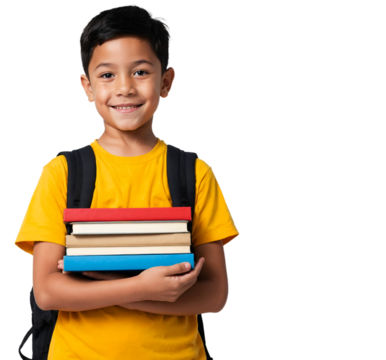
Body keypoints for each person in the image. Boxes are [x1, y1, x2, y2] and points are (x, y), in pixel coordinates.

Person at [14, 1, 240, 359]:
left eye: (140, 72)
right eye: (107, 75)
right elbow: (47, 291)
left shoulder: (195, 173)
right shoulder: (61, 173)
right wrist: (142, 287)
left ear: (166, 81)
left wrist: (109, 285)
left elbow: (214, 296)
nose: (124, 88)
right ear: (86, 87)